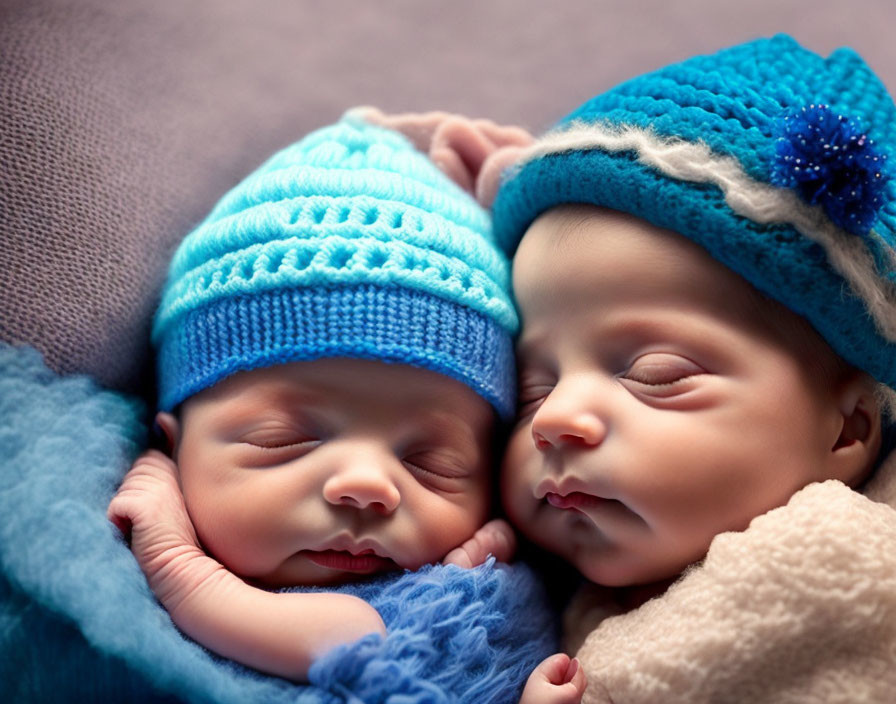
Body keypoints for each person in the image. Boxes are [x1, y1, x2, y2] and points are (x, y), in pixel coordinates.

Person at [487, 35, 896, 702]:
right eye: (531, 389)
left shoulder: (841, 578)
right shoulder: (550, 589)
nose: (555, 419)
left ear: (847, 431)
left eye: (655, 373)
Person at [106, 112, 556, 698]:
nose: (368, 486)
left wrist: (182, 571)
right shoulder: (110, 575)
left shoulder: (479, 590)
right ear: (171, 445)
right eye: (283, 440)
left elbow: (356, 638)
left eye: (434, 464)